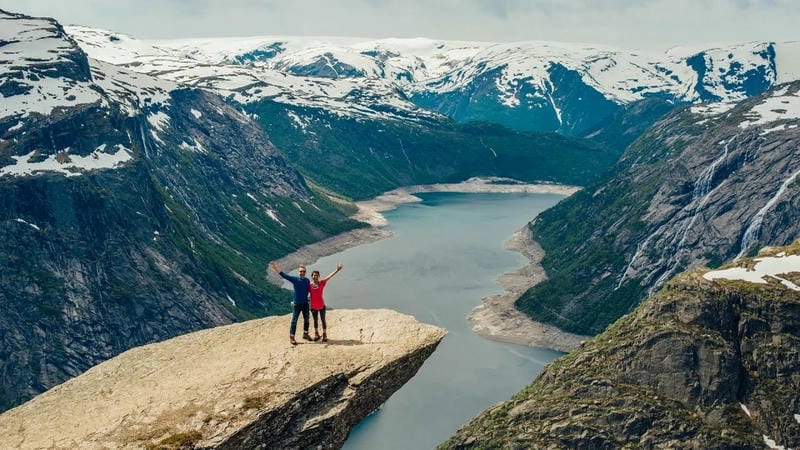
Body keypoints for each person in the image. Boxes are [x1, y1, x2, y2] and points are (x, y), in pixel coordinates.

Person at [269, 261, 311, 345]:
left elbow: (310, 290)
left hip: (305, 303)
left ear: (305, 272)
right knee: (294, 321)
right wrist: (275, 267)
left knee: (307, 319)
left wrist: (310, 297)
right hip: (297, 304)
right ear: (298, 272)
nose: (302, 273)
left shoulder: (307, 280)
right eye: (300, 271)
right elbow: (283, 275)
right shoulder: (295, 279)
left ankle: (305, 334)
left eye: (303, 271)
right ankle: (292, 337)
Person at [309, 263, 343, 342]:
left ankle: (324, 334)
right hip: (313, 306)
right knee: (315, 320)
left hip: (321, 305)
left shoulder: (322, 283)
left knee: (323, 320)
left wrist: (337, 270)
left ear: (318, 276)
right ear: (311, 276)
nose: (315, 276)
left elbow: (329, 276)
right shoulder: (309, 285)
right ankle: (316, 334)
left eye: (316, 275)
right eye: (314, 275)